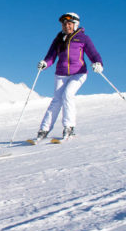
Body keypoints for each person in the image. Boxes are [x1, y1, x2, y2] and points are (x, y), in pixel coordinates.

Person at [35, 12, 103, 140]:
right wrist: (45, 63)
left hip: (78, 73)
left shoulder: (83, 38)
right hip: (61, 74)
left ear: (76, 24)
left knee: (67, 95)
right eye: (64, 24)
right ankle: (44, 129)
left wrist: (98, 63)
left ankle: (69, 127)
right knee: (56, 100)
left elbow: (93, 54)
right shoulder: (58, 39)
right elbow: (51, 56)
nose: (66, 26)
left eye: (69, 24)